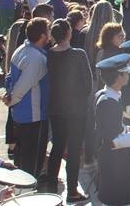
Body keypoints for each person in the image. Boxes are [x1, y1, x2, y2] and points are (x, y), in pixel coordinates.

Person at [46, 19, 91, 201]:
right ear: (68, 33)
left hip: (56, 108)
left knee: (57, 146)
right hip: (76, 109)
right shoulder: (78, 54)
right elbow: (88, 84)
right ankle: (72, 190)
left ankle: (50, 188)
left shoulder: (49, 54)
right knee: (74, 149)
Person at [95, 53, 130, 206]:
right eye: (125, 72)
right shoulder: (108, 102)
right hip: (114, 162)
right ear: (118, 77)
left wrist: (129, 128)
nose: (128, 75)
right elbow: (111, 141)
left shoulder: (107, 95)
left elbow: (112, 128)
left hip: (114, 160)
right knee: (118, 199)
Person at [4, 16, 50, 177]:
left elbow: (9, 78)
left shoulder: (21, 50)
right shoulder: (36, 58)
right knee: (32, 161)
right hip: (33, 116)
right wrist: (11, 100)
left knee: (22, 155)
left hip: (21, 114)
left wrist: (10, 96)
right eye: (48, 30)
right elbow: (23, 86)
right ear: (42, 35)